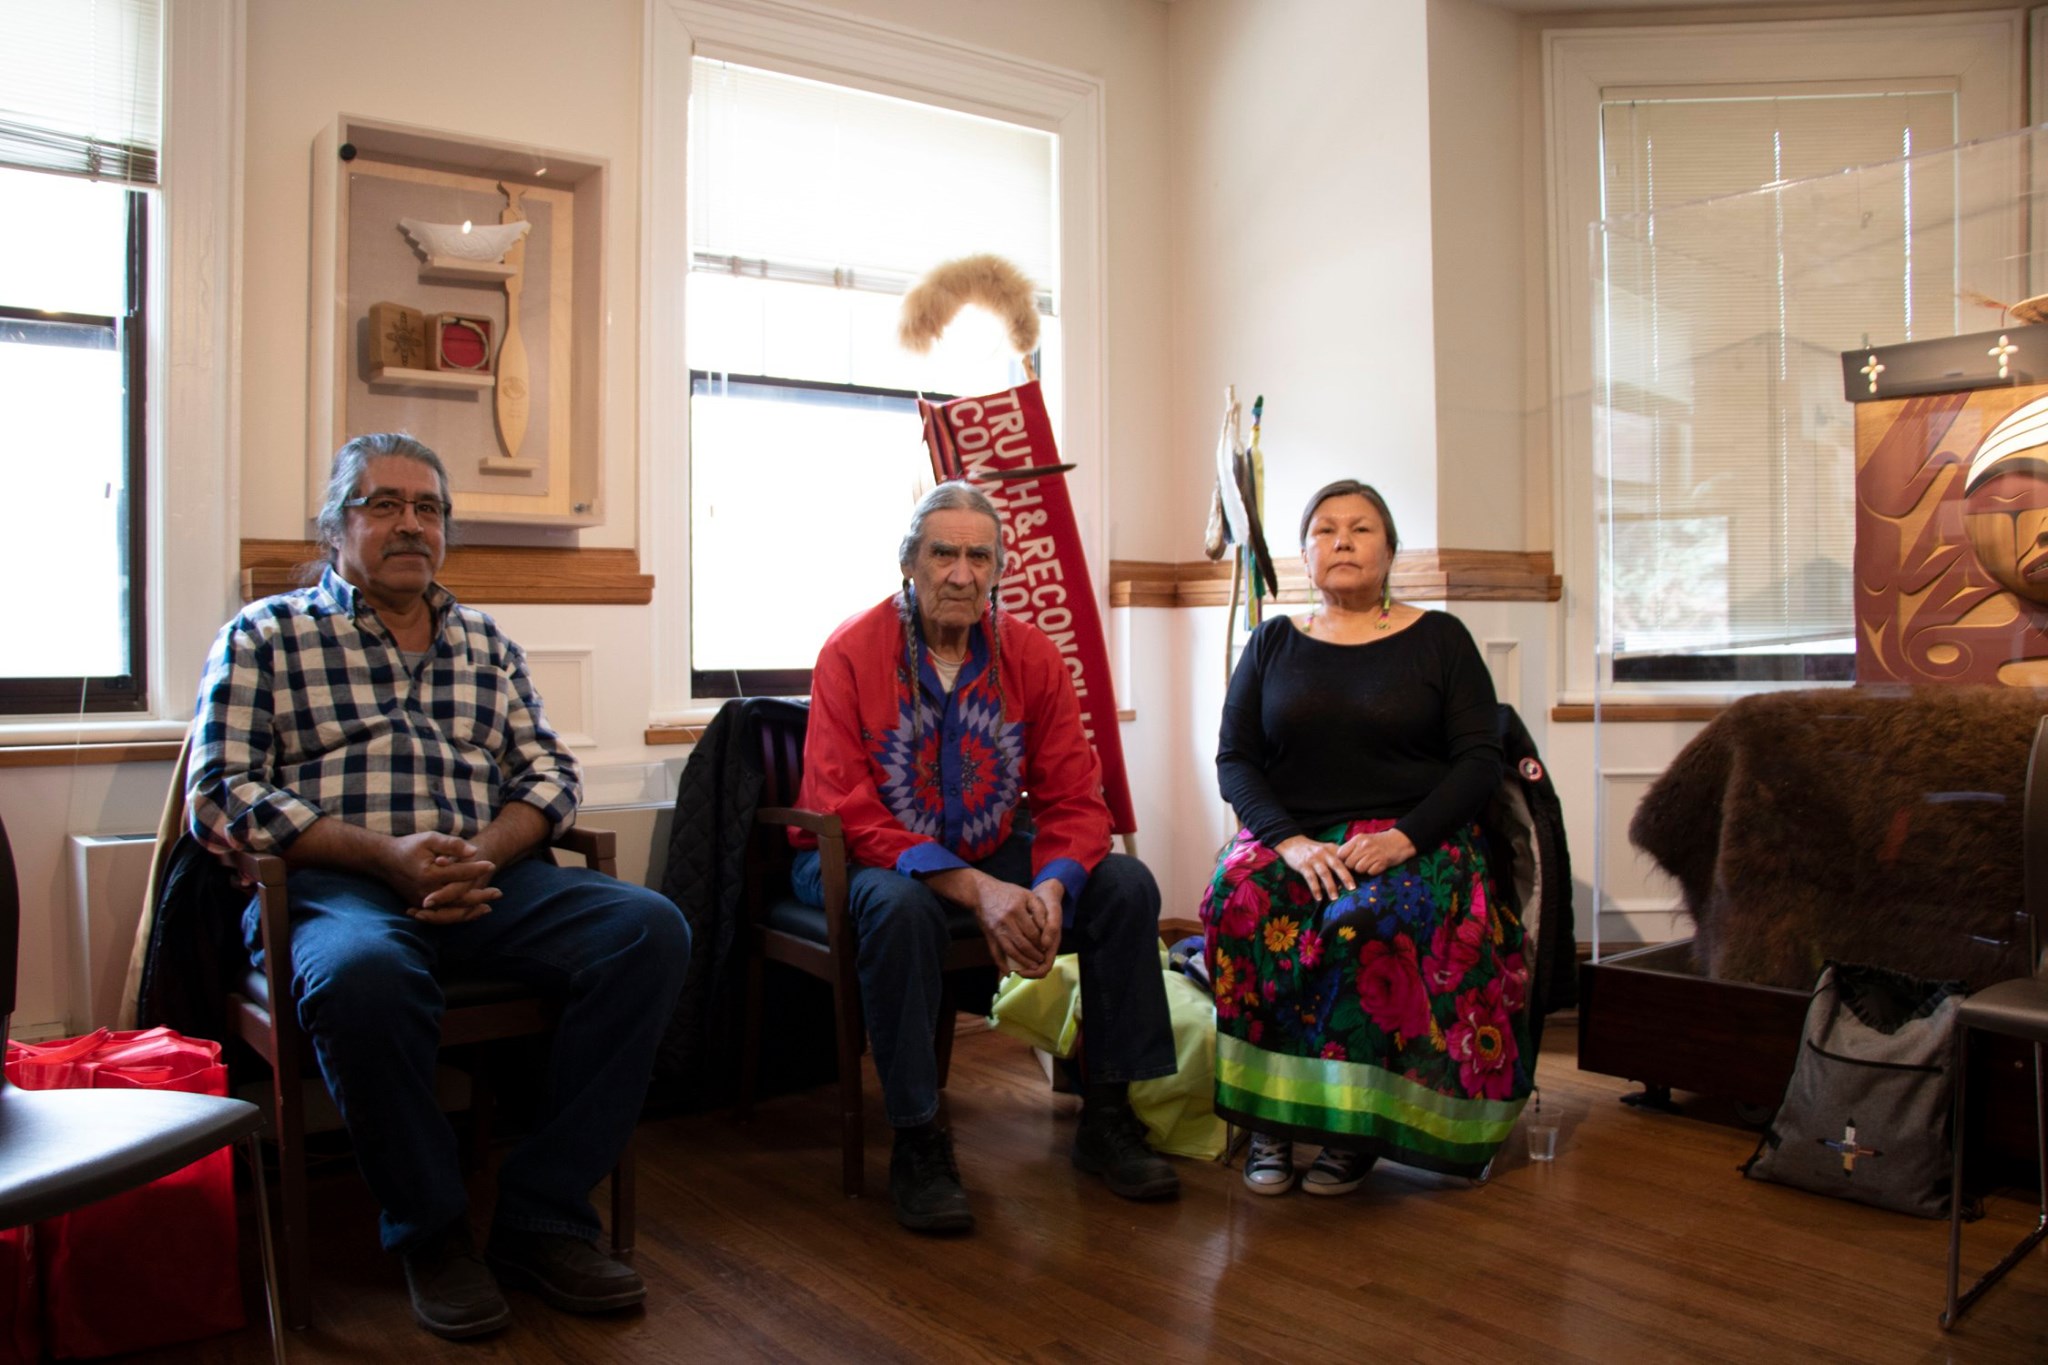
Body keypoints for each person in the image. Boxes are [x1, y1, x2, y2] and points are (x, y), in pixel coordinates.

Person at [188, 433, 690, 1340]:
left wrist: (484, 854)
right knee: (360, 978)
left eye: (428, 508)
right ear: (336, 526)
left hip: (487, 878)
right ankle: (431, 1230)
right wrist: (384, 856)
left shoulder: (485, 643)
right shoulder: (266, 634)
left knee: (649, 929)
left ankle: (542, 1212)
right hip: (340, 886)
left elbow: (548, 776)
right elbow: (219, 791)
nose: (410, 524)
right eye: (383, 505)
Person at [792, 481, 1180, 1232]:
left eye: (979, 555)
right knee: (899, 907)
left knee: (1126, 884)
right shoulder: (850, 650)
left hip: (990, 846)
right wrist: (977, 889)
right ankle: (918, 1137)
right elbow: (846, 810)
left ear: (998, 568)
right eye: (944, 553)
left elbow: (1074, 796)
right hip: (861, 860)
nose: (962, 573)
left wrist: (1054, 888)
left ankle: (1108, 1114)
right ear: (910, 562)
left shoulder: (1029, 654)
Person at [1203, 479, 1529, 1196]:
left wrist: (1404, 839)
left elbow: (1479, 760)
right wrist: (1288, 842)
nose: (1342, 541)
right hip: (1297, 834)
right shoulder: (1273, 642)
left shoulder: (1440, 639)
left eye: (1361, 529)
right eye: (1325, 530)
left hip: (1414, 834)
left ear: (1390, 550)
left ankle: (1355, 1128)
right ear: (1303, 553)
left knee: (1365, 922)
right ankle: (1271, 1117)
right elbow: (1236, 760)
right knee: (1238, 898)